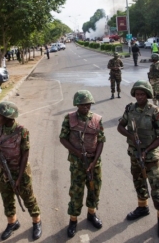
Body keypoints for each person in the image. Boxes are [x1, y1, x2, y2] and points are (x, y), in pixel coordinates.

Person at [117, 80, 159, 239]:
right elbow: (120, 127)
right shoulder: (130, 110)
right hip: (134, 153)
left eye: (142, 94)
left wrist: (147, 150)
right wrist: (130, 135)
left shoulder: (155, 112)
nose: (139, 96)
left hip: (150, 154)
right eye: (137, 94)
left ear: (147, 95)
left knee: (156, 184)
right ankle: (142, 207)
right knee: (138, 181)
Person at [0, 102, 42, 241]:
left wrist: (19, 178)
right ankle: (12, 223)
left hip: (21, 171)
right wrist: (3, 169)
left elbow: (25, 156)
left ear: (8, 116)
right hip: (5, 172)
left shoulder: (22, 131)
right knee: (7, 198)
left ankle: (37, 221)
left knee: (28, 198)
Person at [59, 90, 105, 238]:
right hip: (78, 164)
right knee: (76, 192)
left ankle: (92, 214)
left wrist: (95, 160)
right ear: (77, 104)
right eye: (82, 104)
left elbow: (101, 141)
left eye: (88, 104)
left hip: (94, 163)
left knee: (94, 189)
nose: (86, 107)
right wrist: (77, 152)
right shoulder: (69, 118)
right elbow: (63, 138)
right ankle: (73, 220)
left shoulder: (97, 119)